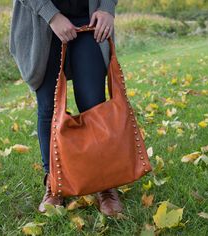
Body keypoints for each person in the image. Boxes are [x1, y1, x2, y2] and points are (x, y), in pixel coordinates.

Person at [9, 0, 123, 217]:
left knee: (94, 104)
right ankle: (54, 182)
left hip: (90, 16)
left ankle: (104, 184)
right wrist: (51, 15)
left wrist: (107, 8)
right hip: (41, 21)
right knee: (49, 107)